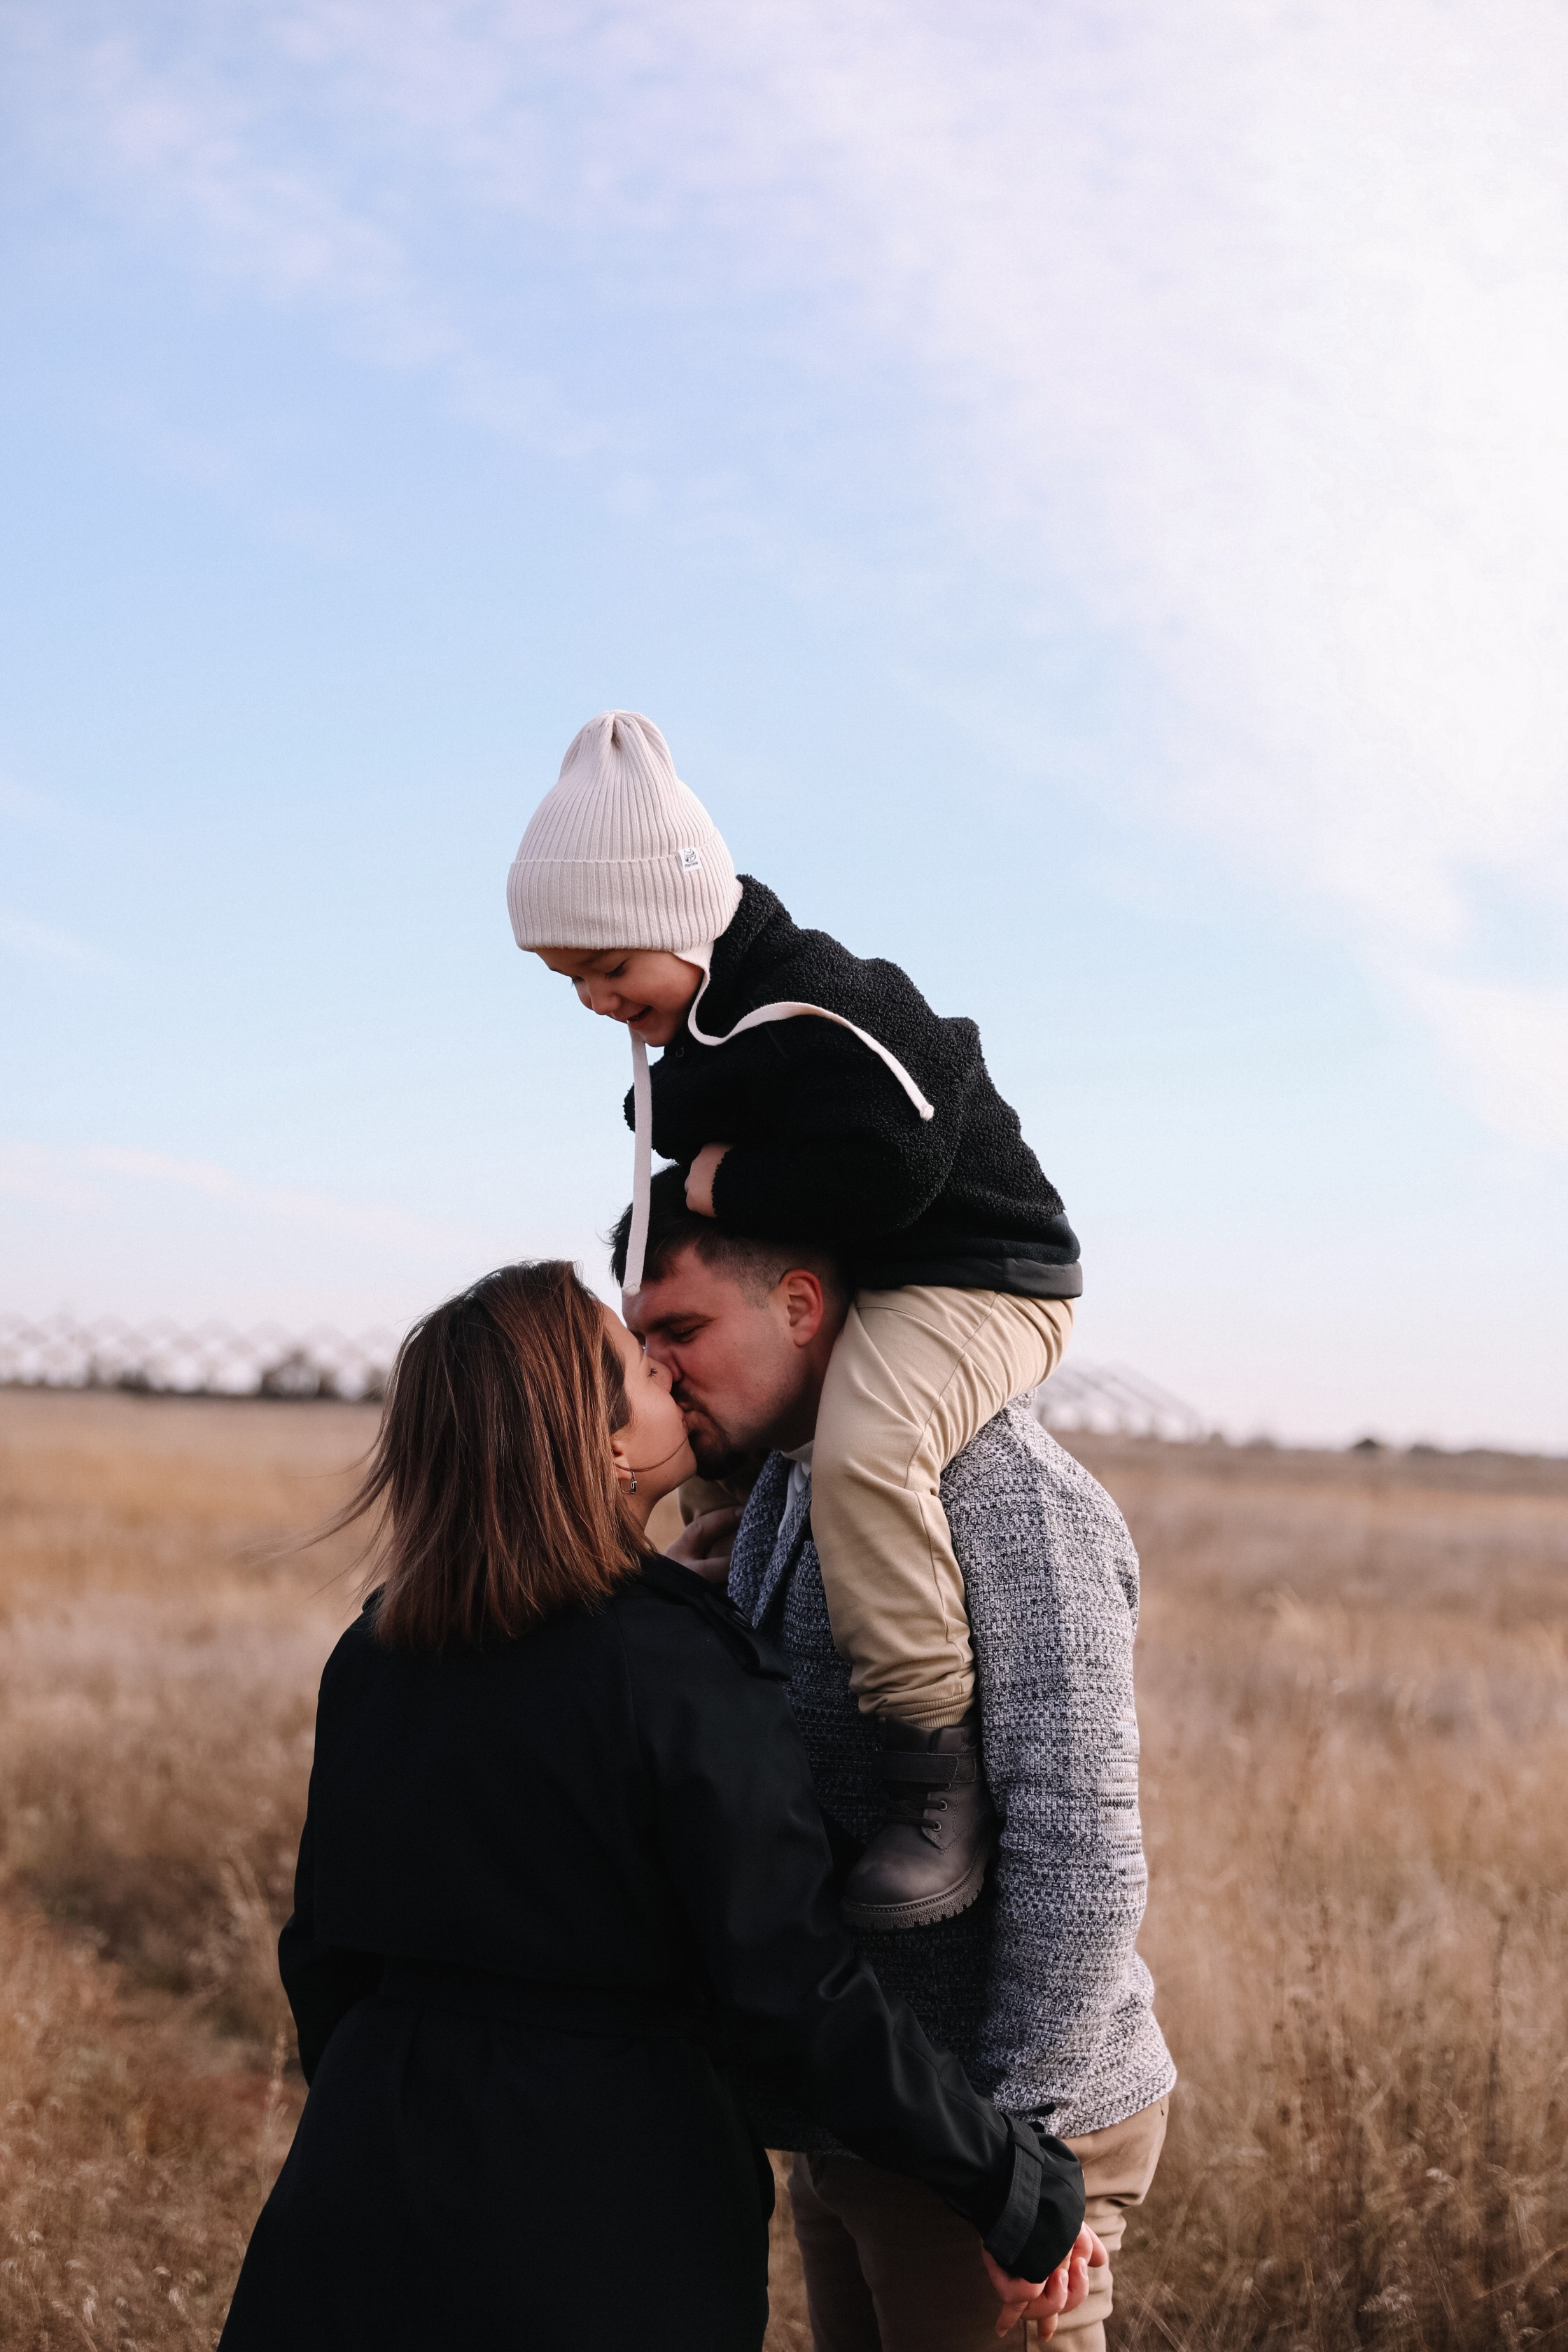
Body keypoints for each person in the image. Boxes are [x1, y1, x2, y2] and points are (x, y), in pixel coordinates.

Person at [218, 1260, 1100, 2352]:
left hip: (356, 2195)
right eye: (639, 1366)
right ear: (609, 1447)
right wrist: (1014, 2184)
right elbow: (793, 1990)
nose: (669, 1374)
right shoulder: (673, 1669)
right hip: (599, 2214)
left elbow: (321, 1955)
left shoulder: (376, 1650)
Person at [507, 708, 1082, 1932]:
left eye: (610, 968)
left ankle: (931, 1770)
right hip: (875, 1268)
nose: (596, 1002)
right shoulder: (688, 1040)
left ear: (677, 919)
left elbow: (893, 1170)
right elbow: (669, 1189)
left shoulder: (817, 1002)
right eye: (569, 981)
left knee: (869, 1454)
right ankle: (710, 1633)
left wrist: (718, 1186)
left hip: (984, 1268)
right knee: (730, 1447)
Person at [614, 1180, 1175, 2352]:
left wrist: (1018, 2163)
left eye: (684, 1333)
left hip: (986, 2126)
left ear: (804, 1305)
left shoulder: (1006, 1496)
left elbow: (1080, 1857)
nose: (662, 1376)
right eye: (644, 1344)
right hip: (867, 2112)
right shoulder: (787, 1484)